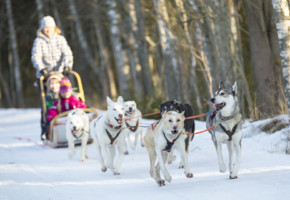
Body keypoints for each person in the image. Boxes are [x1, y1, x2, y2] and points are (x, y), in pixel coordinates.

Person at [31, 15, 73, 140]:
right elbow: (35, 56)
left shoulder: (60, 39)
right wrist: (41, 68)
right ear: (42, 29)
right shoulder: (38, 41)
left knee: (69, 96)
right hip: (45, 75)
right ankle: (46, 129)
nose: (48, 30)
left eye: (50, 27)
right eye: (45, 28)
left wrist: (67, 66)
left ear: (54, 27)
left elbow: (67, 53)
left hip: (60, 74)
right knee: (46, 103)